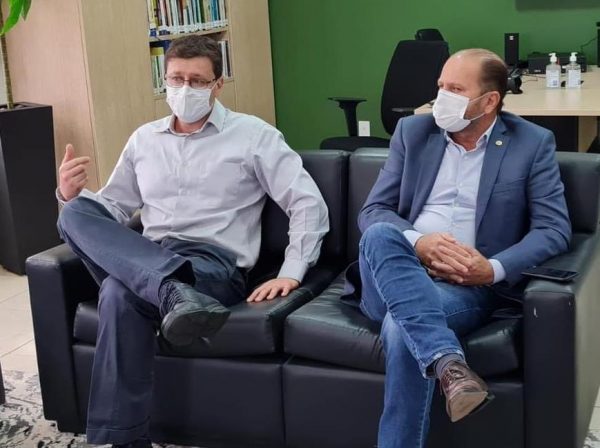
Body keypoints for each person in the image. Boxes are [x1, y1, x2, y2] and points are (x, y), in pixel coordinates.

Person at [56, 35, 328, 448]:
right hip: (151, 256)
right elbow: (112, 207)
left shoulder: (253, 136)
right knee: (74, 212)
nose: (185, 89)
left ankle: (125, 441)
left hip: (213, 266)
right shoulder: (144, 139)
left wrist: (292, 270)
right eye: (176, 79)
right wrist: (69, 195)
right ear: (164, 80)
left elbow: (307, 201)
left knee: (117, 291)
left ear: (218, 85)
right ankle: (170, 290)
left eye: (198, 81)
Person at [353, 48, 571, 448]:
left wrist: (492, 269)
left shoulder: (531, 143)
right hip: (394, 270)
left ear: (490, 101)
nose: (441, 97)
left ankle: (444, 366)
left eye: (455, 89)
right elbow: (373, 210)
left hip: (464, 287)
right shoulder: (412, 132)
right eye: (440, 86)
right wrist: (419, 243)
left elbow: (553, 229)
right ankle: (449, 363)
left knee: (402, 328)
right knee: (380, 233)